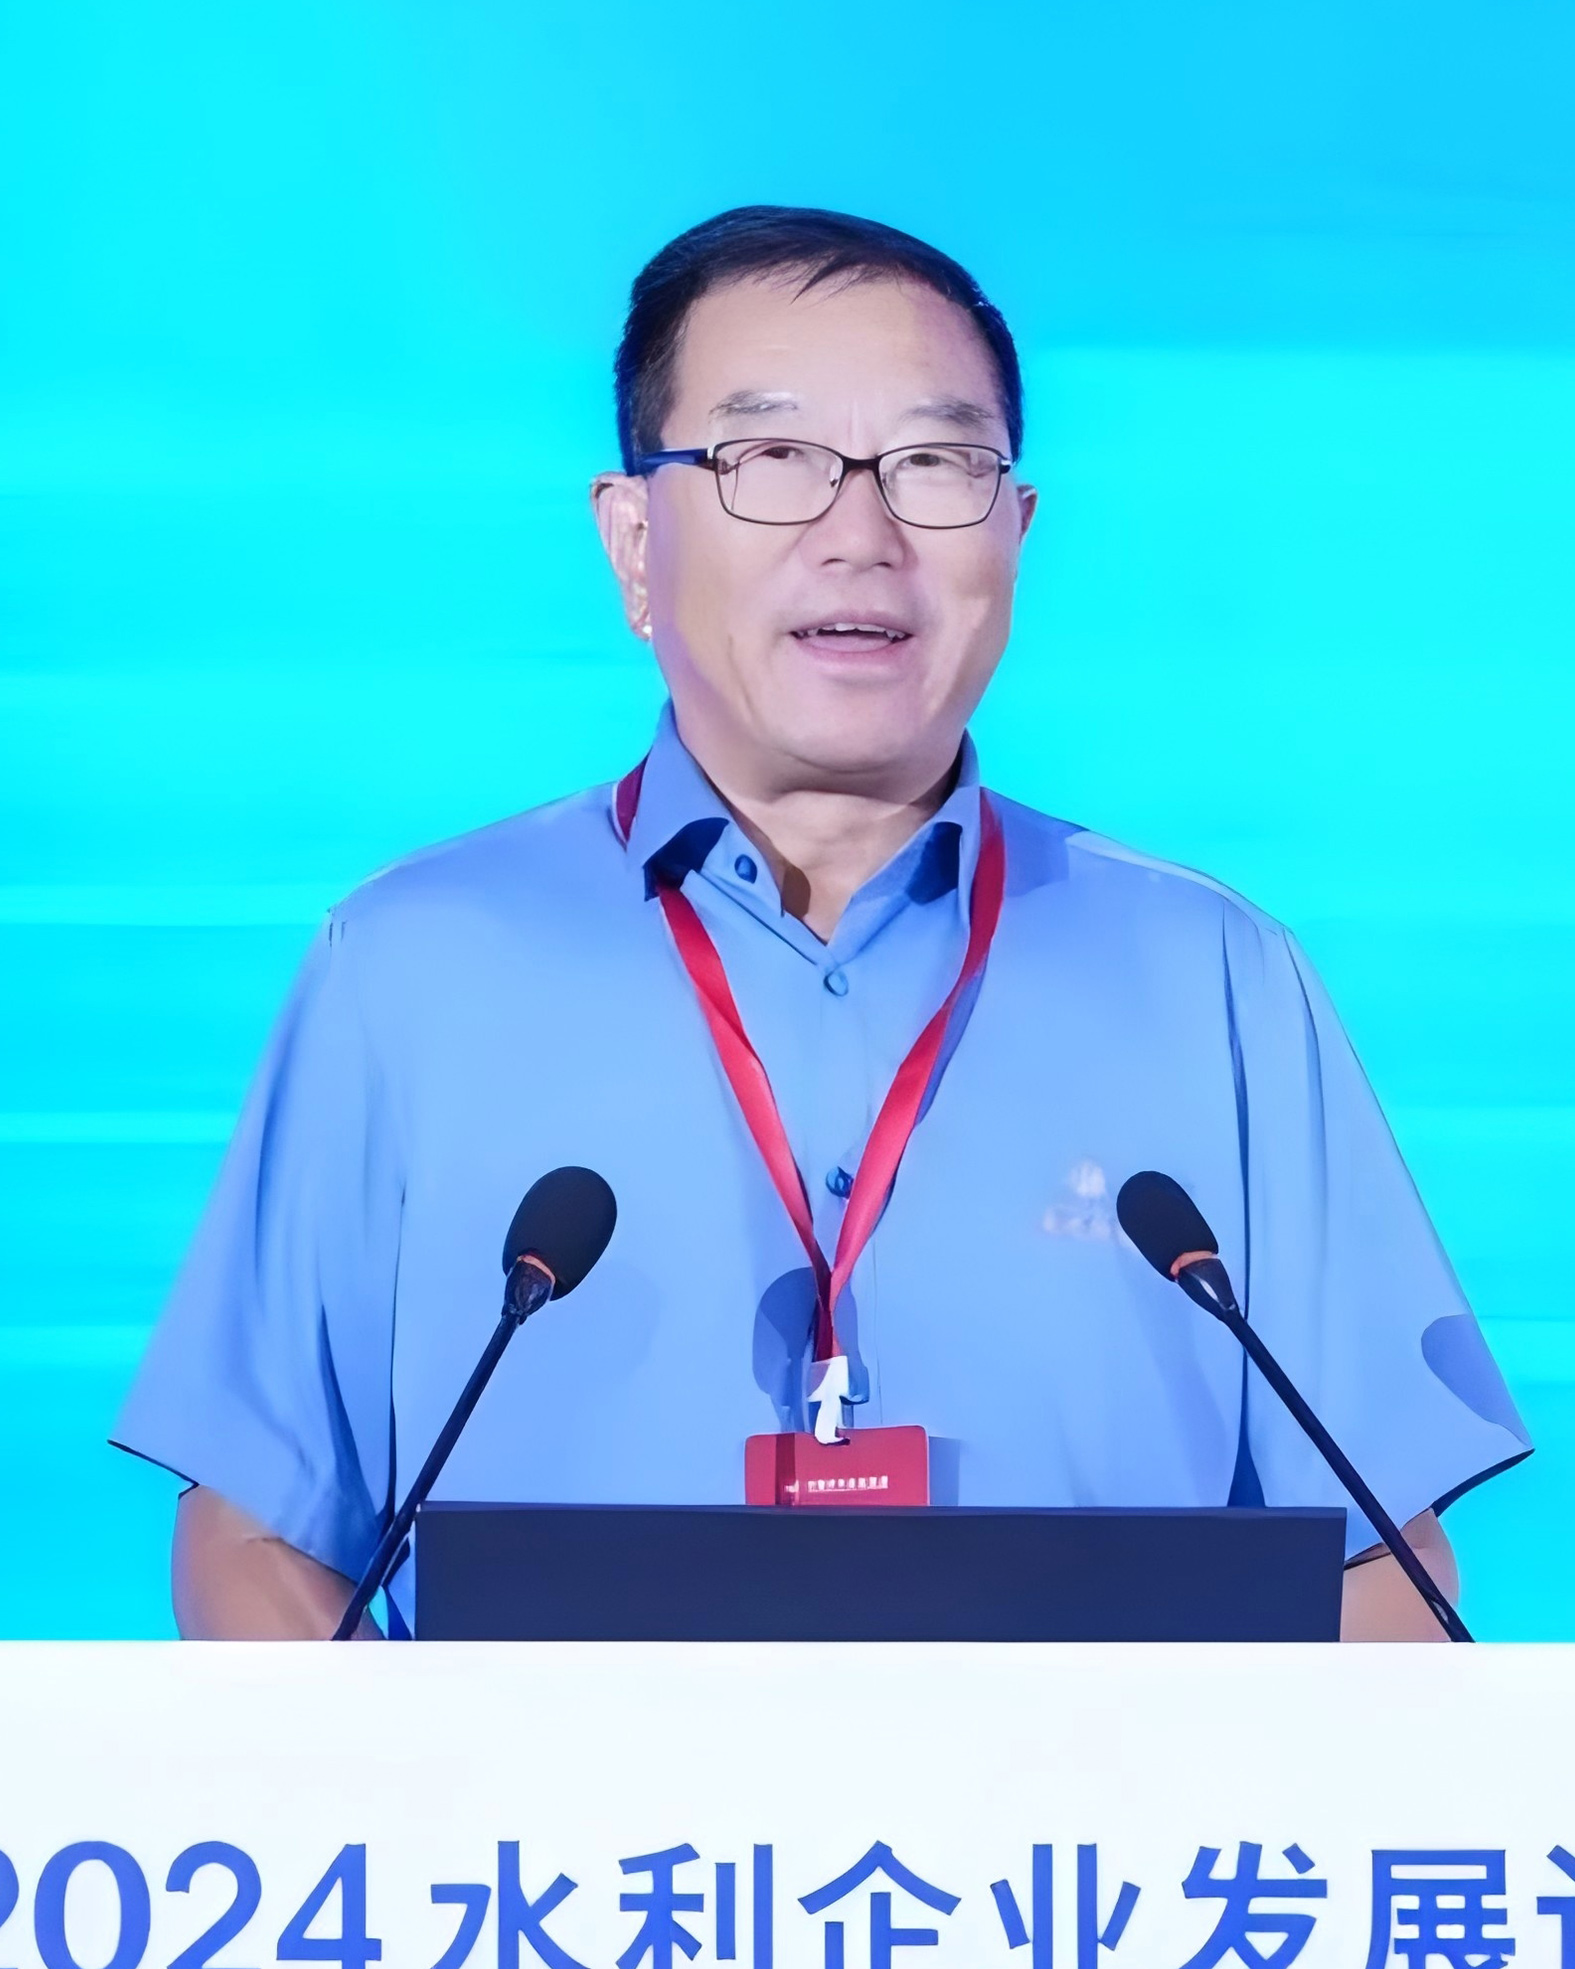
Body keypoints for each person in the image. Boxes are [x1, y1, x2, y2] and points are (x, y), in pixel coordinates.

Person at [114, 206, 1530, 1641]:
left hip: (1090, 1805)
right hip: (551, 1804)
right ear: (634, 541)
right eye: (771, 458)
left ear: (1016, 534)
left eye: (935, 464)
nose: (861, 535)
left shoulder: (1217, 975)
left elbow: (1383, 1567)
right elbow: (258, 1532)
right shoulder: (410, 966)